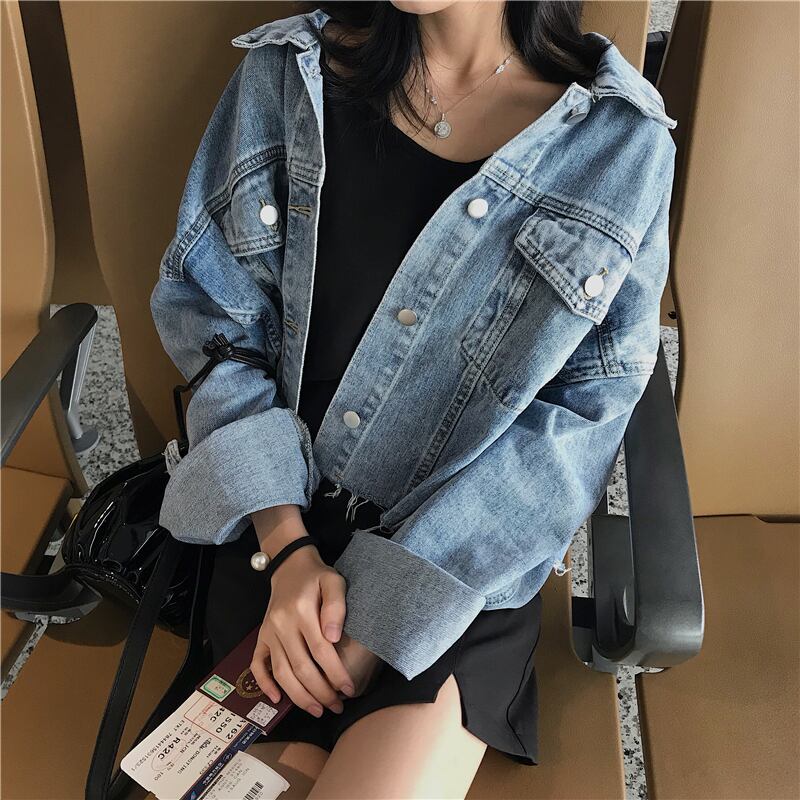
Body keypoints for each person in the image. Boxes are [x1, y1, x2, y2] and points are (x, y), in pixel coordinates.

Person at [150, 1, 677, 797]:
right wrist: (287, 550)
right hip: (277, 537)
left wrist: (386, 618)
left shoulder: (620, 143)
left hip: (454, 570)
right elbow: (216, 323)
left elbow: (577, 427)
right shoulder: (287, 76)